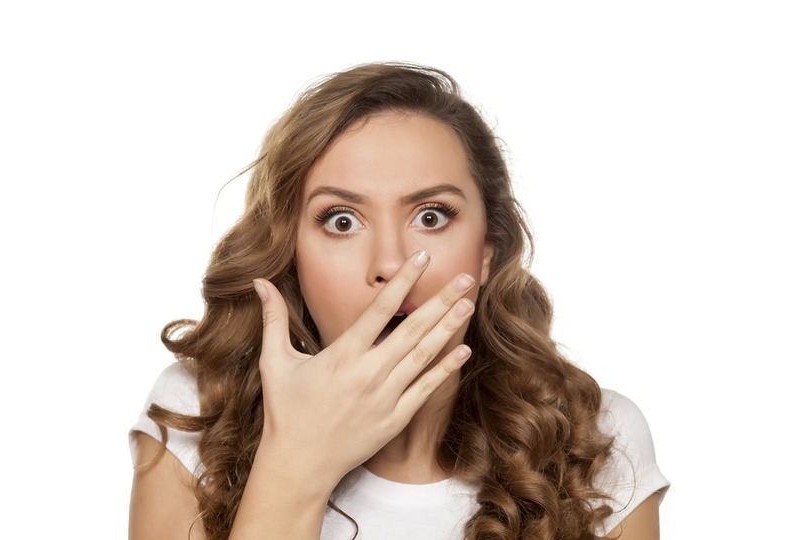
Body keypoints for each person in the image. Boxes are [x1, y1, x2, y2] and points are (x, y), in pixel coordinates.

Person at [129, 62, 669, 540]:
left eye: (431, 216)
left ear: (486, 252)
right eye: (341, 221)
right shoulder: (195, 414)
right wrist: (296, 466)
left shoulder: (597, 438)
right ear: (290, 252)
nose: (390, 264)